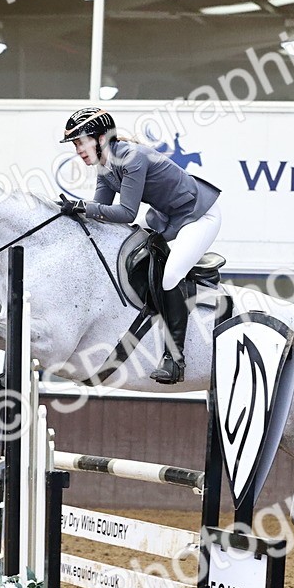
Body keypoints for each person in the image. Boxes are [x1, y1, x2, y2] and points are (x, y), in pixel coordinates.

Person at [57, 107, 221, 384]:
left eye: (81, 142)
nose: (78, 150)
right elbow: (101, 209)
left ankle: (175, 359)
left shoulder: (131, 158)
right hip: (167, 217)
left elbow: (125, 213)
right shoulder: (105, 167)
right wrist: (72, 213)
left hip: (199, 215)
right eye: (75, 145)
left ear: (100, 138)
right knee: (130, 247)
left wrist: (83, 207)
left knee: (170, 276)